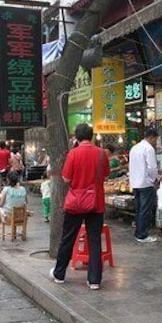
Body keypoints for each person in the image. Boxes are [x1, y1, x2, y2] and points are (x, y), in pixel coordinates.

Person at [49, 123, 110, 290]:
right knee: (95, 240)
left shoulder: (73, 154)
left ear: (77, 136)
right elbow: (105, 174)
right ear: (91, 136)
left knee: (68, 238)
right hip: (96, 203)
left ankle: (59, 274)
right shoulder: (101, 154)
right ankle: (94, 280)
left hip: (75, 203)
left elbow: (66, 179)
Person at [129, 128, 160, 243]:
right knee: (145, 210)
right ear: (152, 137)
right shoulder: (149, 149)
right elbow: (152, 167)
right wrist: (155, 179)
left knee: (138, 209)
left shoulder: (135, 148)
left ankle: (138, 232)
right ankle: (142, 234)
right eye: (155, 140)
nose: (155, 142)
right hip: (146, 183)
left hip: (136, 183)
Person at [0, 171, 27, 238]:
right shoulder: (23, 189)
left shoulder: (6, 190)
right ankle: (16, 232)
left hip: (9, 218)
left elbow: (1, 204)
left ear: (8, 180)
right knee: (14, 208)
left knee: (0, 210)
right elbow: (26, 201)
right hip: (21, 217)